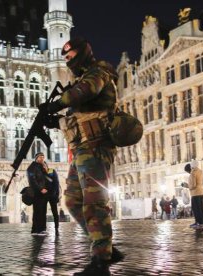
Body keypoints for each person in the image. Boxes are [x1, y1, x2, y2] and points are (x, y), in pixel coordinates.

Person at [40, 37, 123, 275]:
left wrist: (56, 104)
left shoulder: (98, 73)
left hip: (96, 148)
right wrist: (57, 122)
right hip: (82, 149)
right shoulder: (82, 80)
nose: (67, 61)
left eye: (70, 57)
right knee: (72, 200)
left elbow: (84, 92)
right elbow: (80, 119)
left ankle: (100, 263)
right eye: (65, 58)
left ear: (83, 54)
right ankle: (105, 247)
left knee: (94, 203)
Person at [27, 152, 48, 236]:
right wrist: (40, 189)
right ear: (36, 158)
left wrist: (46, 169)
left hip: (44, 192)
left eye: (43, 157)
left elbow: (47, 177)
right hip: (37, 192)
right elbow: (32, 180)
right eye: (40, 157)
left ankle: (42, 229)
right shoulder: (32, 167)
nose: (42, 159)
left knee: (43, 211)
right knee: (38, 211)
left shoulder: (42, 167)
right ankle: (36, 230)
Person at [185, 161, 203, 230]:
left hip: (195, 193)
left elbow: (193, 185)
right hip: (201, 192)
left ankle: (198, 223)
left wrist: (187, 186)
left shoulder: (193, 173)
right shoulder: (200, 171)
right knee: (201, 209)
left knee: (196, 209)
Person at [44, 162, 60, 236]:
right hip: (45, 195)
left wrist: (56, 195)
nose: (43, 167)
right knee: (43, 212)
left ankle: (56, 227)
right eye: (42, 166)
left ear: (47, 165)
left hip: (53, 195)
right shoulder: (41, 173)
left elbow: (56, 183)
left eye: (44, 165)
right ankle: (43, 227)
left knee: (55, 212)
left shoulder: (52, 171)